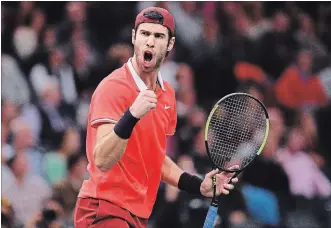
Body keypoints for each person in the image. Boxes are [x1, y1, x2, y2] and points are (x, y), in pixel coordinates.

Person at [74, 7, 238, 228]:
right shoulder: (112, 88)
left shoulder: (167, 93)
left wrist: (197, 185)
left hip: (138, 214)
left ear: (170, 44)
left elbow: (155, 158)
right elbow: (102, 160)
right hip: (104, 208)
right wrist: (131, 116)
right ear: (134, 37)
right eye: (144, 34)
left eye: (159, 36)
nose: (150, 41)